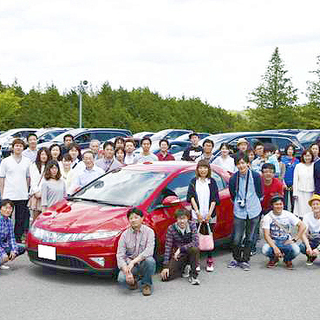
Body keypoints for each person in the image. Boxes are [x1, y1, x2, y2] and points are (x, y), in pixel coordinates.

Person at [228, 152, 263, 271]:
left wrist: (252, 202)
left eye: (243, 163)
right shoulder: (233, 178)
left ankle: (245, 260)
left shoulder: (256, 176)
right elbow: (232, 195)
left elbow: (260, 193)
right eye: (238, 163)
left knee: (250, 237)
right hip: (239, 211)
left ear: (248, 163)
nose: (241, 166)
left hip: (253, 209)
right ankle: (236, 258)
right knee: (237, 237)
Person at [187, 160, 220, 272]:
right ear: (197, 169)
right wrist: (197, 213)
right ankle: (196, 261)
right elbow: (191, 197)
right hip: (197, 215)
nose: (203, 170)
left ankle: (210, 259)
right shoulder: (193, 181)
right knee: (196, 239)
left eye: (205, 168)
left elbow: (215, 199)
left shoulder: (212, 181)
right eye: (200, 168)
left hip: (210, 215)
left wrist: (209, 214)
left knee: (208, 237)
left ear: (208, 169)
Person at [116, 208, 156, 296]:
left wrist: (134, 261)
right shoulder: (124, 235)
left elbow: (149, 251)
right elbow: (120, 255)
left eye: (136, 217)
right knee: (121, 279)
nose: (133, 220)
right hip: (129, 264)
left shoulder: (149, 232)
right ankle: (133, 281)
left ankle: (146, 284)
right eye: (131, 218)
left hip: (142, 262)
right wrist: (126, 271)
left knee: (150, 261)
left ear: (142, 218)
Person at [0, 139, 31, 243]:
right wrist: (2, 193)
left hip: (22, 194)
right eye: (16, 146)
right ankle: (4, 238)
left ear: (23, 148)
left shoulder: (27, 161)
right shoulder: (6, 161)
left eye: (20, 146)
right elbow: (2, 178)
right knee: (5, 217)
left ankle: (17, 238)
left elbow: (28, 178)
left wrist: (26, 190)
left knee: (20, 218)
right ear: (13, 147)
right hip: (9, 194)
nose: (18, 148)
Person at [262, 195, 305, 269]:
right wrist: (275, 247)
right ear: (272, 206)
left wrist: (295, 239)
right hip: (274, 241)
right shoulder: (267, 217)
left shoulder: (288, 214)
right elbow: (266, 235)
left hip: (286, 240)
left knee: (296, 250)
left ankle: (287, 259)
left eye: (280, 204)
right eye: (276, 204)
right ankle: (274, 258)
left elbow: (302, 226)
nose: (279, 206)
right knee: (265, 250)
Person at [160, 208, 200, 285]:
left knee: (195, 249)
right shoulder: (171, 228)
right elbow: (168, 247)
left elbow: (196, 242)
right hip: (178, 255)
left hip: (190, 251)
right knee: (165, 277)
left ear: (188, 218)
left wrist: (181, 249)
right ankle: (184, 267)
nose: (182, 221)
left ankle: (194, 276)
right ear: (176, 219)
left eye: (184, 218)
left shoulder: (192, 225)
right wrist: (165, 266)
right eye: (179, 219)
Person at [0, 199, 26, 270]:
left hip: (2, 245)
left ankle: (1, 261)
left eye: (10, 208)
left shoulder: (9, 221)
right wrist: (2, 253)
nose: (8, 210)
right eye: (5, 207)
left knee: (21, 248)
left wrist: (13, 250)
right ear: (0, 208)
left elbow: (11, 238)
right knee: (3, 255)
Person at [29, 147, 51, 222]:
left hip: (47, 195)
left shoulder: (50, 166)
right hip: (37, 195)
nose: (44, 156)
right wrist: (37, 192)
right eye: (42, 154)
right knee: (36, 218)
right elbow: (33, 181)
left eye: (45, 154)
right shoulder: (34, 165)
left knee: (47, 218)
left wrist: (44, 193)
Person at [299, 194, 320, 265]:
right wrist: (308, 248)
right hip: (312, 239)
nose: (315, 206)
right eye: (313, 204)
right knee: (302, 247)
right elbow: (303, 234)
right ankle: (310, 256)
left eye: (317, 204)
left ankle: (316, 252)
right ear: (311, 207)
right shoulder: (306, 216)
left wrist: (318, 249)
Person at [293, 149, 314, 218]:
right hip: (300, 192)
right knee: (301, 212)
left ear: (312, 156)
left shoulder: (314, 165)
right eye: (305, 156)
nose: (307, 158)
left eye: (309, 156)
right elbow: (295, 180)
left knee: (311, 211)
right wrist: (295, 193)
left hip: (312, 192)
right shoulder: (298, 166)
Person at [282, 144, 299, 211]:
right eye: (289, 149)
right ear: (286, 150)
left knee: (293, 202)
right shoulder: (282, 159)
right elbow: (281, 173)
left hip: (293, 183)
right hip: (284, 183)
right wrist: (283, 183)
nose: (290, 151)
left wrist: (295, 184)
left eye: (292, 149)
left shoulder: (297, 161)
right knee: (284, 202)